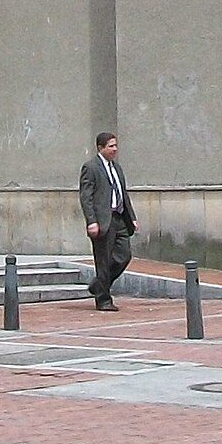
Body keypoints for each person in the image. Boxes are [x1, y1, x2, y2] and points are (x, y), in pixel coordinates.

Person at [77, 130, 137, 311]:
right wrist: (91, 221)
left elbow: (123, 194)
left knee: (124, 256)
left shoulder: (117, 168)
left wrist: (132, 217)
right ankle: (103, 300)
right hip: (103, 220)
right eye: (111, 146)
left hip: (119, 218)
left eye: (115, 145)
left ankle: (98, 285)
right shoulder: (91, 167)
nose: (115, 149)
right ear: (100, 148)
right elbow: (85, 197)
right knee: (103, 260)